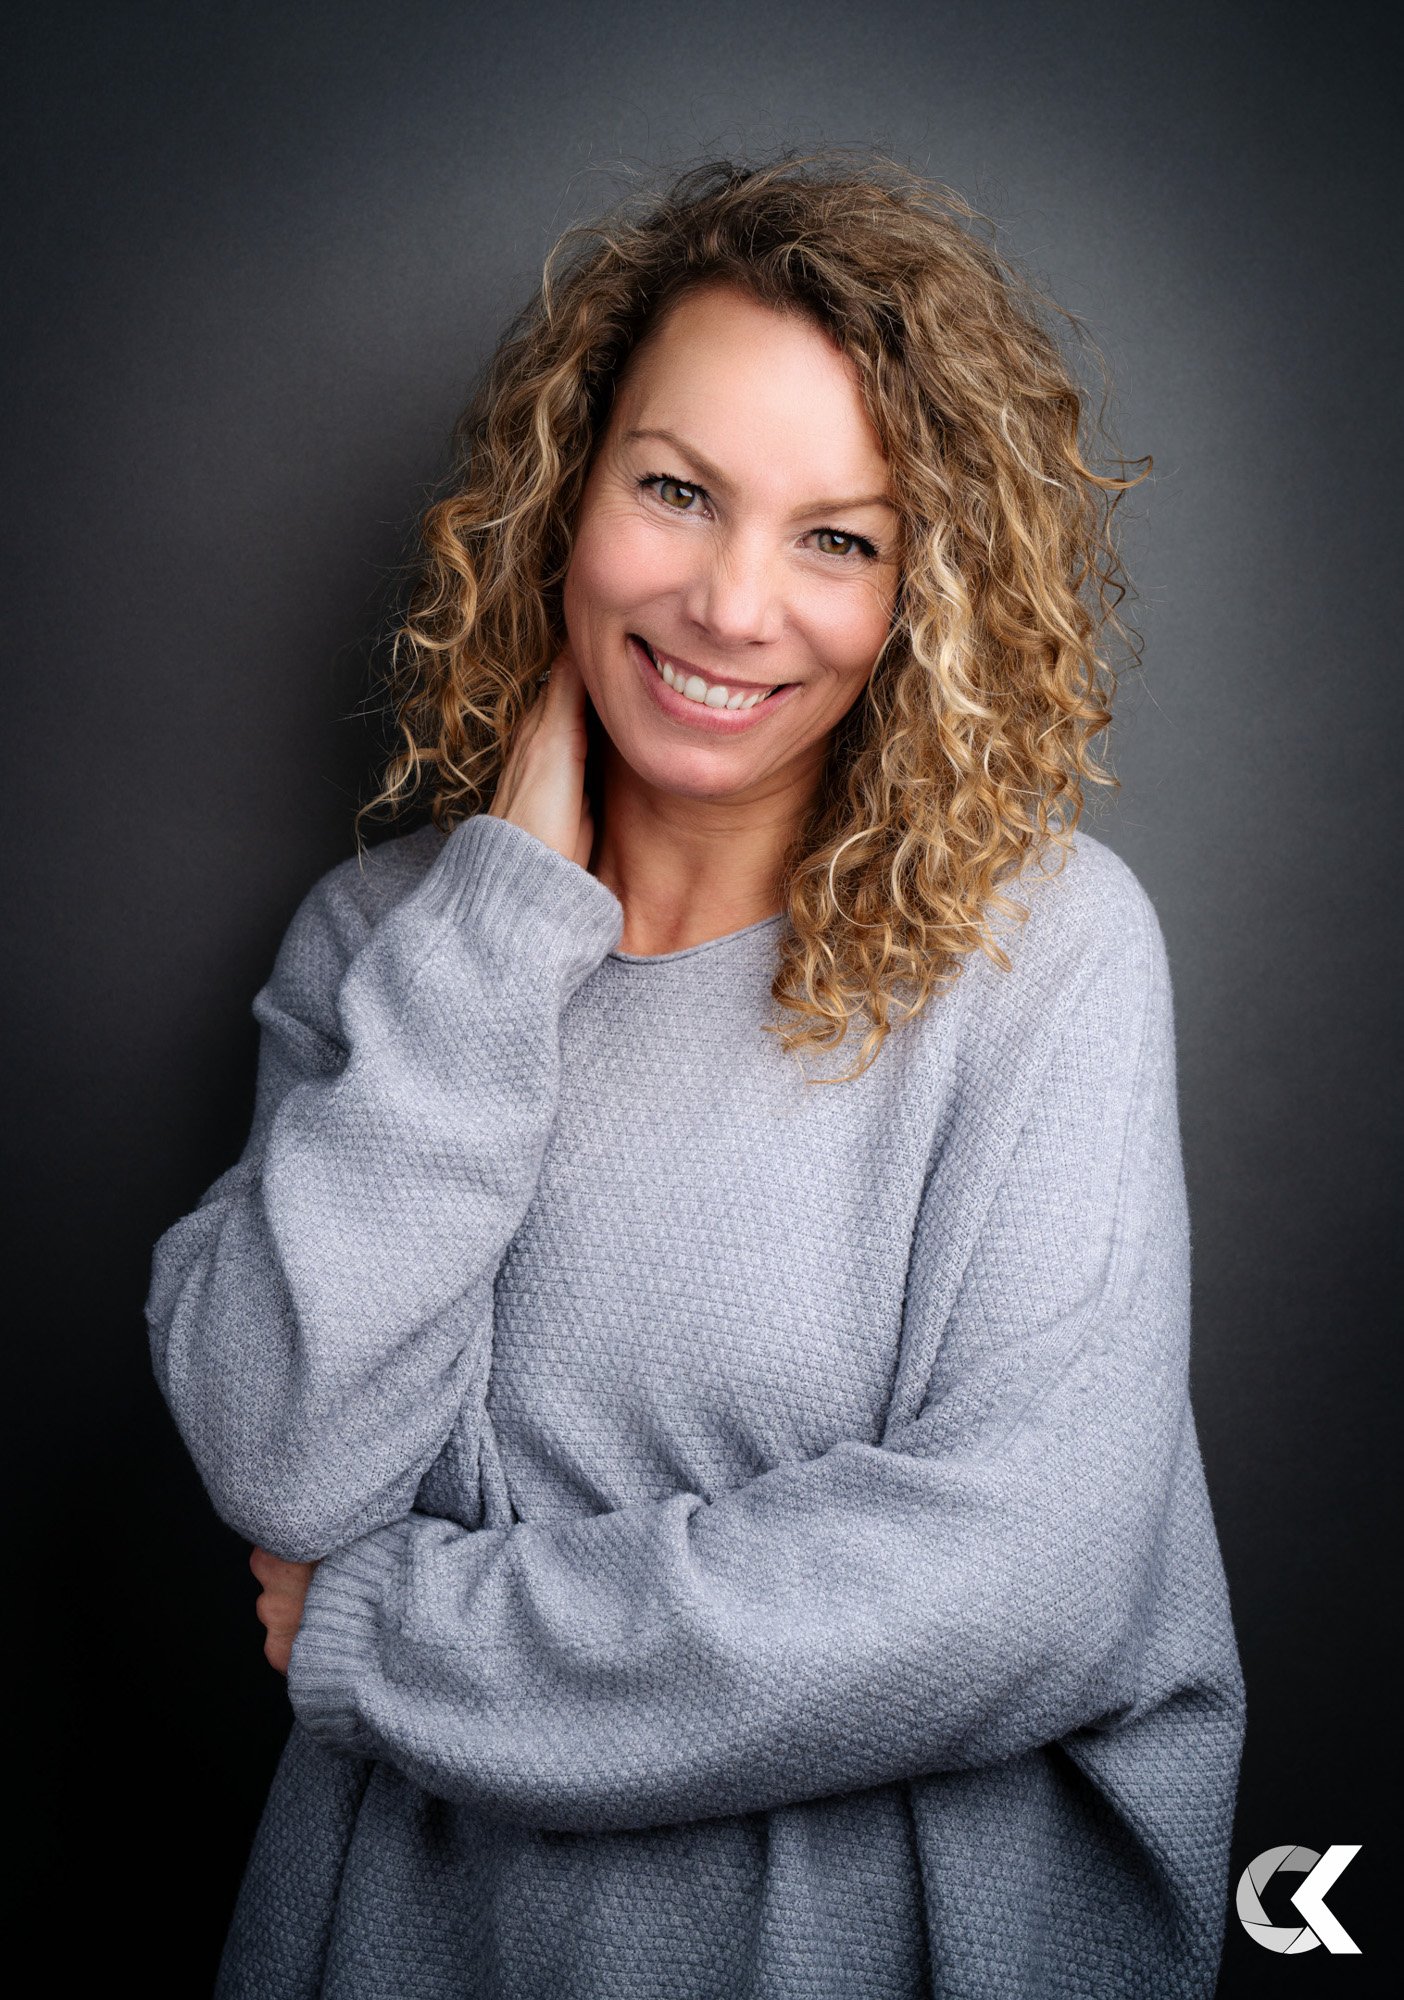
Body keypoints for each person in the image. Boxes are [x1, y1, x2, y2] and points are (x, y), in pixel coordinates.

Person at [145, 154, 1245, 1999]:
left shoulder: (1039, 952)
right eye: (677, 490)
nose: (735, 605)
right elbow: (284, 1456)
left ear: (924, 591)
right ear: (562, 496)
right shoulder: (388, 947)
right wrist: (503, 926)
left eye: (839, 539)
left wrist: (401, 1629)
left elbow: (1025, 1580)